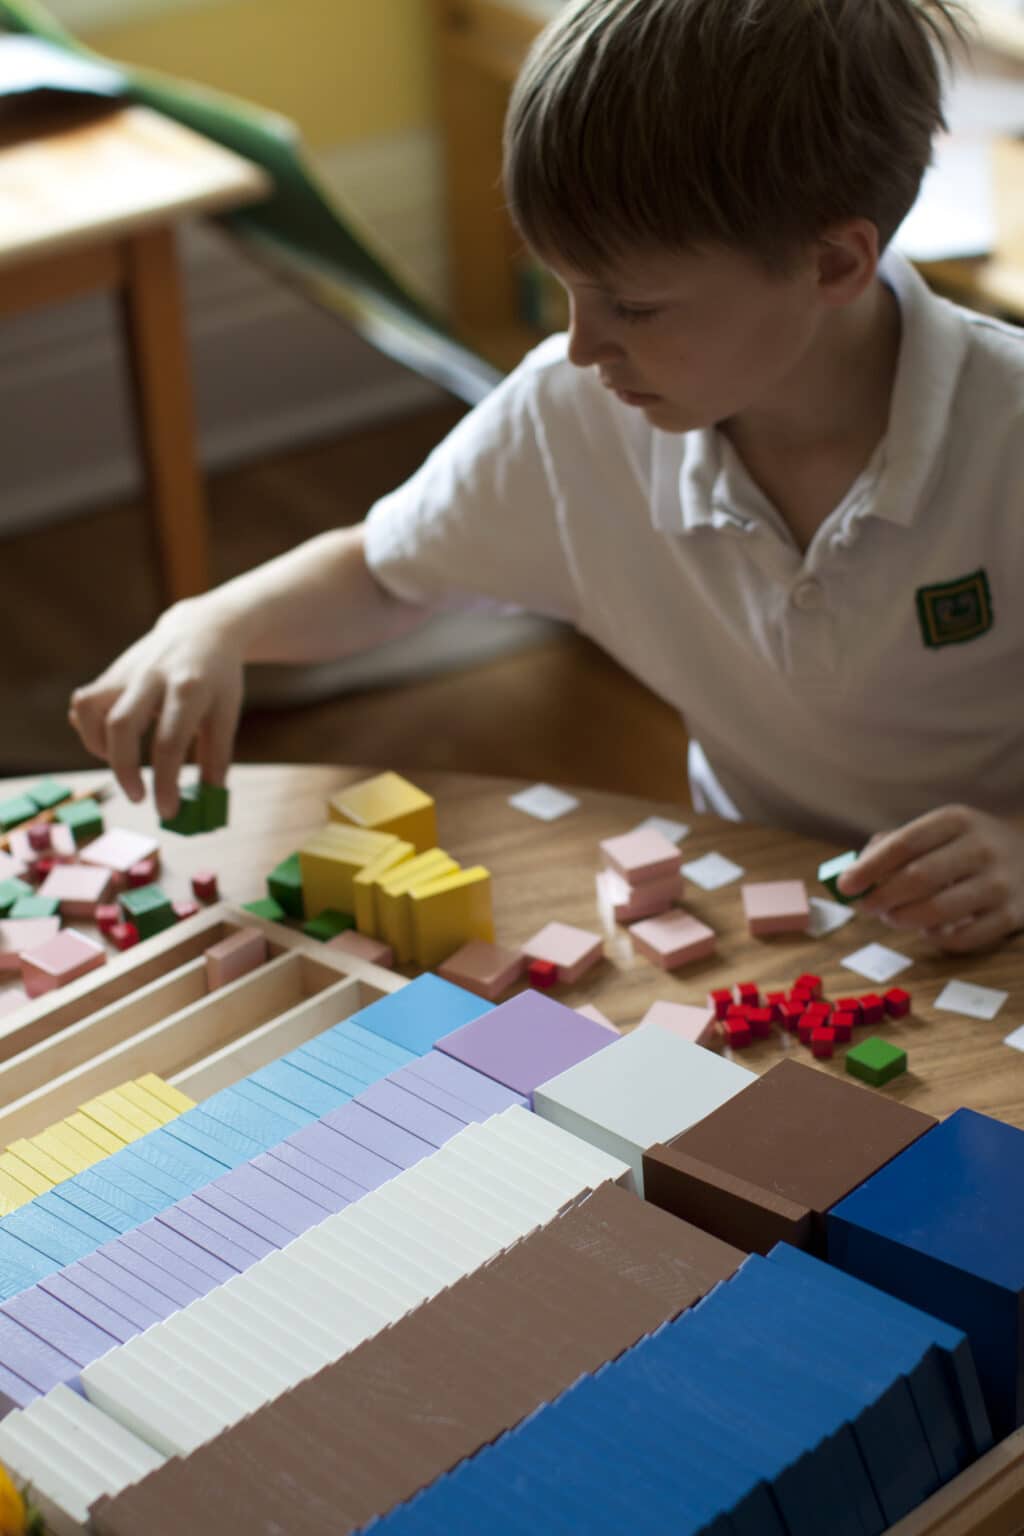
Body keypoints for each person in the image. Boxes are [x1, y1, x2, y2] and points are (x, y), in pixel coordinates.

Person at [69, 0, 1024, 953]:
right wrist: (216, 622)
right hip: (778, 907)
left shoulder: (1007, 436)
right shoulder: (579, 410)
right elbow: (384, 571)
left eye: (634, 306)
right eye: (564, 285)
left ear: (832, 263)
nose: (579, 343)